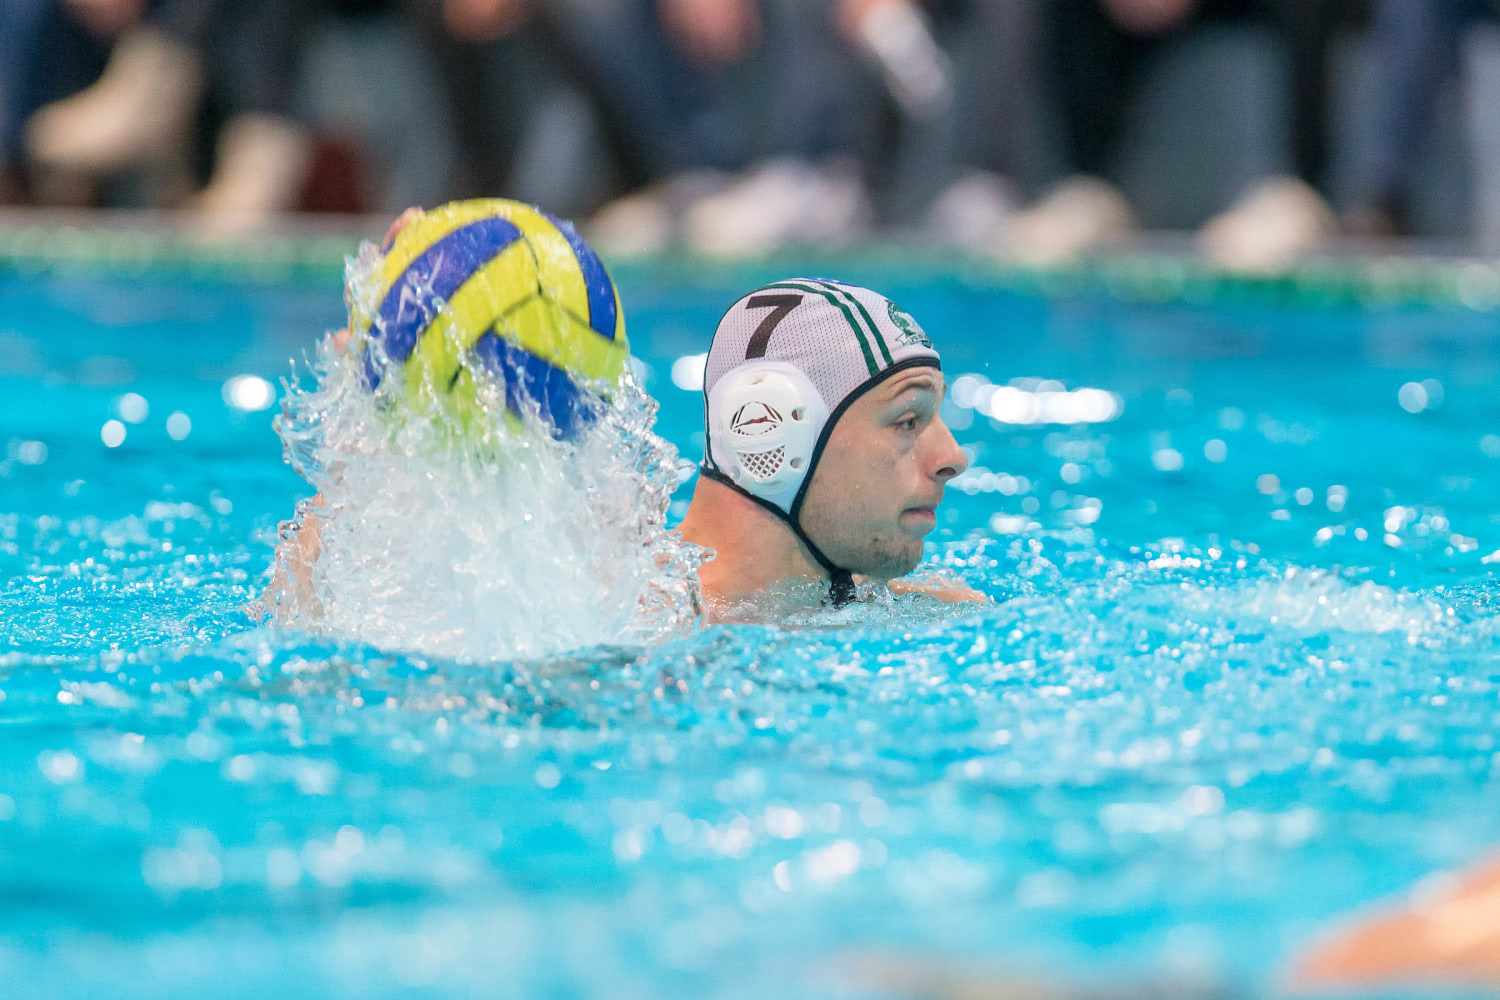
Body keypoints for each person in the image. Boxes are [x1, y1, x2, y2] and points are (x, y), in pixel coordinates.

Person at [263, 206, 982, 624]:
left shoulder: (931, 610)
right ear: (778, 429)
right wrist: (383, 413)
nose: (952, 455)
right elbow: (312, 636)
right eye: (907, 419)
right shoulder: (617, 614)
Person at [676, 278, 980, 609]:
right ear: (774, 435)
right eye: (907, 421)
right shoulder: (645, 635)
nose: (954, 458)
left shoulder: (941, 608)